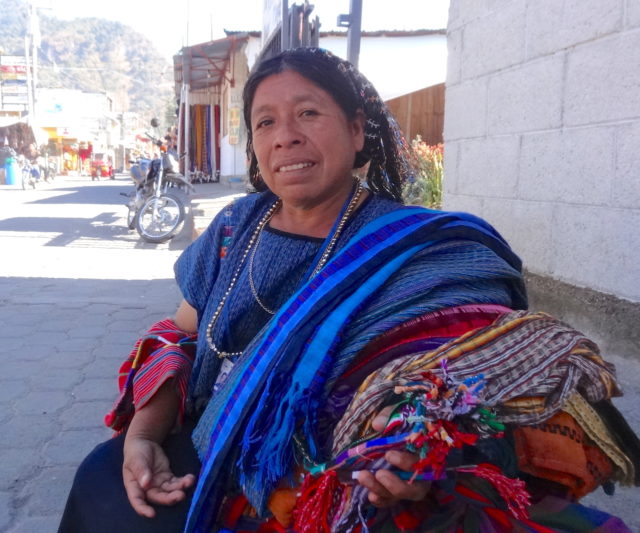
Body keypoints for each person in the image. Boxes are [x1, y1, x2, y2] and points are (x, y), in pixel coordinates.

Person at [59, 48, 639, 533]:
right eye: (265, 122)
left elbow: (470, 380)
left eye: (308, 112)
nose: (285, 137)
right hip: (207, 451)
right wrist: (143, 436)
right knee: (101, 481)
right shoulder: (234, 231)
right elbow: (176, 338)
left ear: (357, 131)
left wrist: (416, 450)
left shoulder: (424, 251)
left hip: (338, 483)